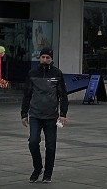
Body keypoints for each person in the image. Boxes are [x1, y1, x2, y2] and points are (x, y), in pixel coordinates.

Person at [21, 47, 68, 183]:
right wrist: (24, 113)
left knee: (51, 145)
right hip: (35, 114)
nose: (45, 60)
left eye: (48, 57)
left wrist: (63, 114)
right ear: (39, 58)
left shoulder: (57, 73)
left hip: (51, 116)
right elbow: (27, 94)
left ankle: (48, 173)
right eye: (43, 57)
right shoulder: (32, 73)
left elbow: (63, 95)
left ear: (51, 59)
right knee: (33, 142)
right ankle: (37, 167)